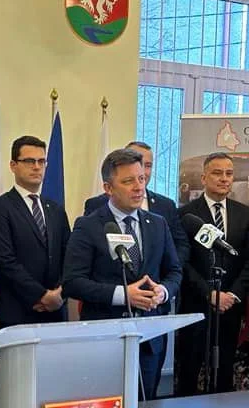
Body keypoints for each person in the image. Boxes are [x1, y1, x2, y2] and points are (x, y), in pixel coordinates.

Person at [62, 148, 182, 400]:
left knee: (146, 400)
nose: (139, 187)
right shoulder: (88, 226)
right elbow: (73, 282)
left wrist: (162, 291)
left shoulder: (157, 223)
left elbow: (174, 271)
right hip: (104, 341)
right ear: (108, 188)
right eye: (128, 181)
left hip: (149, 341)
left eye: (141, 178)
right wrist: (123, 294)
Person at [175, 152, 249, 395]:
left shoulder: (244, 213)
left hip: (230, 307)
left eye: (229, 173)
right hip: (196, 305)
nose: (224, 178)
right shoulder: (186, 215)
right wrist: (209, 293)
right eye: (217, 173)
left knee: (224, 371)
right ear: (203, 178)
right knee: (189, 370)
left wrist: (232, 295)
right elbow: (182, 262)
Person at [0, 136, 71, 329]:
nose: (37, 167)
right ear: (13, 165)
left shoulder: (55, 209)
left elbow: (69, 256)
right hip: (16, 311)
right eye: (29, 161)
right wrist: (41, 295)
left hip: (55, 310)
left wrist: (59, 293)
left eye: (41, 161)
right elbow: (5, 260)